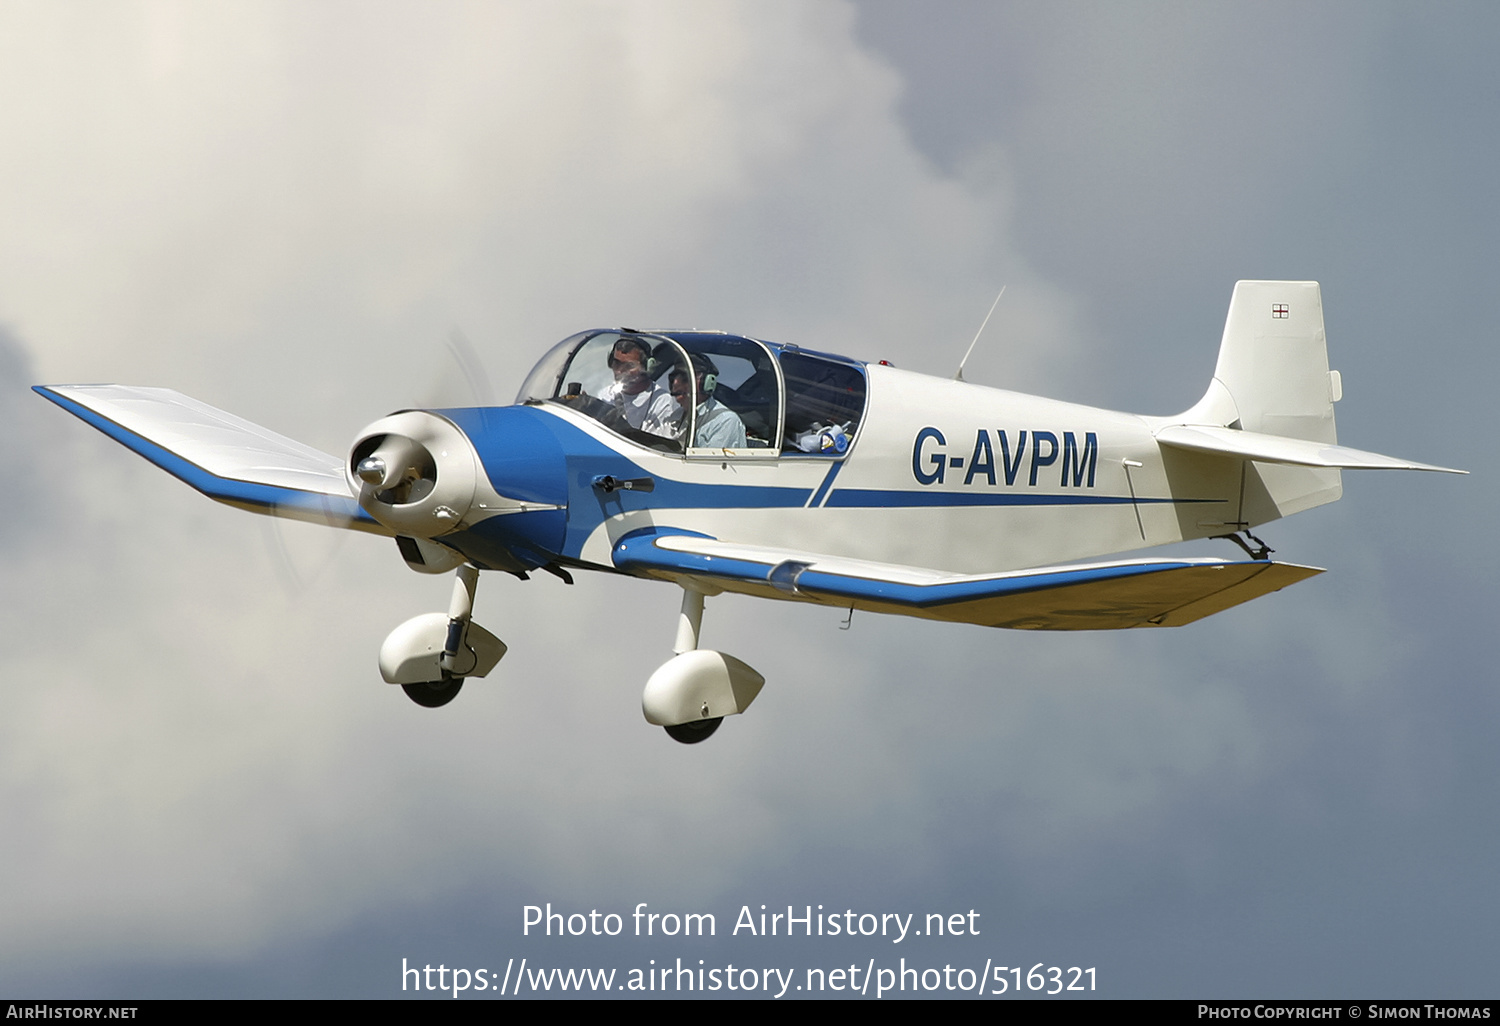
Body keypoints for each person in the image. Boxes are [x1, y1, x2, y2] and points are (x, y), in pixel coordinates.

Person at [599, 337, 678, 439]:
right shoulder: (605, 395)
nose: (619, 371)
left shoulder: (661, 401)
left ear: (647, 367)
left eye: (629, 366)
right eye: (616, 363)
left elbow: (654, 445)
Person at [669, 355, 746, 449]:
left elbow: (712, 463)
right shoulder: (675, 416)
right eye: (673, 378)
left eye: (685, 378)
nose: (675, 383)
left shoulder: (725, 422)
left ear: (706, 383)